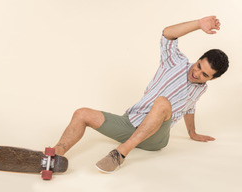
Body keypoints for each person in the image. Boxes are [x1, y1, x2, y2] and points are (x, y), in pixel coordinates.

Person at [53, 16, 229, 173]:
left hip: (155, 139)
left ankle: (120, 154)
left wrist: (193, 132)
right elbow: (167, 34)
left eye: (205, 75)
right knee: (81, 113)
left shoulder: (201, 89)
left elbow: (190, 107)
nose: (197, 74)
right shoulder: (176, 62)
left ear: (211, 79)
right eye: (199, 66)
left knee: (162, 103)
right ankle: (54, 157)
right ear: (198, 60)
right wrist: (199, 24)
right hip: (131, 123)